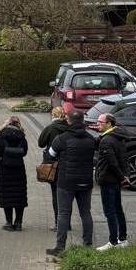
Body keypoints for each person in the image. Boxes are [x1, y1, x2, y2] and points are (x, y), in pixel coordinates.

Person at [45, 110, 97, 257]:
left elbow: (50, 155)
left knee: (63, 214)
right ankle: (87, 245)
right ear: (83, 121)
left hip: (66, 182)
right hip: (85, 182)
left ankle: (60, 247)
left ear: (68, 121)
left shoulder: (62, 138)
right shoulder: (91, 139)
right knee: (85, 212)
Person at [94, 113, 129, 251]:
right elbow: (123, 158)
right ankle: (123, 239)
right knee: (118, 209)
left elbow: (112, 162)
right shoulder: (117, 136)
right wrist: (124, 176)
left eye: (100, 122)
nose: (97, 124)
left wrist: (122, 177)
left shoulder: (107, 141)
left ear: (109, 124)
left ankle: (113, 241)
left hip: (108, 179)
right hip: (115, 180)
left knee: (110, 211)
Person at [0, 116, 29, 232]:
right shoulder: (21, 136)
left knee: (7, 196)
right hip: (19, 170)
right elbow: (25, 152)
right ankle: (19, 222)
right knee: (19, 196)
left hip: (4, 170)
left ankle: (9, 222)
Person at [37, 107, 70, 231]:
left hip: (53, 166)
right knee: (67, 195)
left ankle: (58, 223)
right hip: (68, 164)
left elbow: (40, 143)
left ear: (53, 115)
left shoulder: (50, 128)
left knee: (56, 195)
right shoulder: (69, 128)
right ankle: (67, 223)